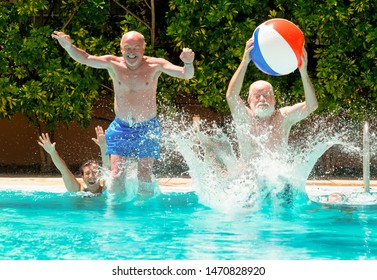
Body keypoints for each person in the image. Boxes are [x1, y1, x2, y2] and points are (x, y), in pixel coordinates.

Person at [51, 30, 195, 197]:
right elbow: (85, 58)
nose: (131, 52)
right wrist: (69, 47)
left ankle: (145, 211)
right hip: (121, 127)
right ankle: (116, 213)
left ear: (143, 48)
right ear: (121, 48)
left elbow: (186, 75)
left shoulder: (156, 65)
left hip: (148, 128)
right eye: (128, 48)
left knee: (144, 176)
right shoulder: (113, 64)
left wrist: (188, 63)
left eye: (136, 48)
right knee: (117, 176)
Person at [226, 37, 318, 162]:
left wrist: (303, 71)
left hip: (277, 180)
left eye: (267, 94)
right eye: (257, 96)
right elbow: (231, 96)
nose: (262, 99)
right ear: (249, 101)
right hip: (247, 179)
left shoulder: (283, 117)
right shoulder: (244, 117)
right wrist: (244, 62)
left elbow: (311, 105)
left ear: (274, 100)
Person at [37, 126, 108, 194]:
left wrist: (103, 146)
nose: (91, 176)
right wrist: (52, 152)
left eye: (95, 172)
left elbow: (107, 167)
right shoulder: (78, 190)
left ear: (101, 174)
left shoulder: (107, 189)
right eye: (87, 173)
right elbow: (63, 170)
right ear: (82, 177)